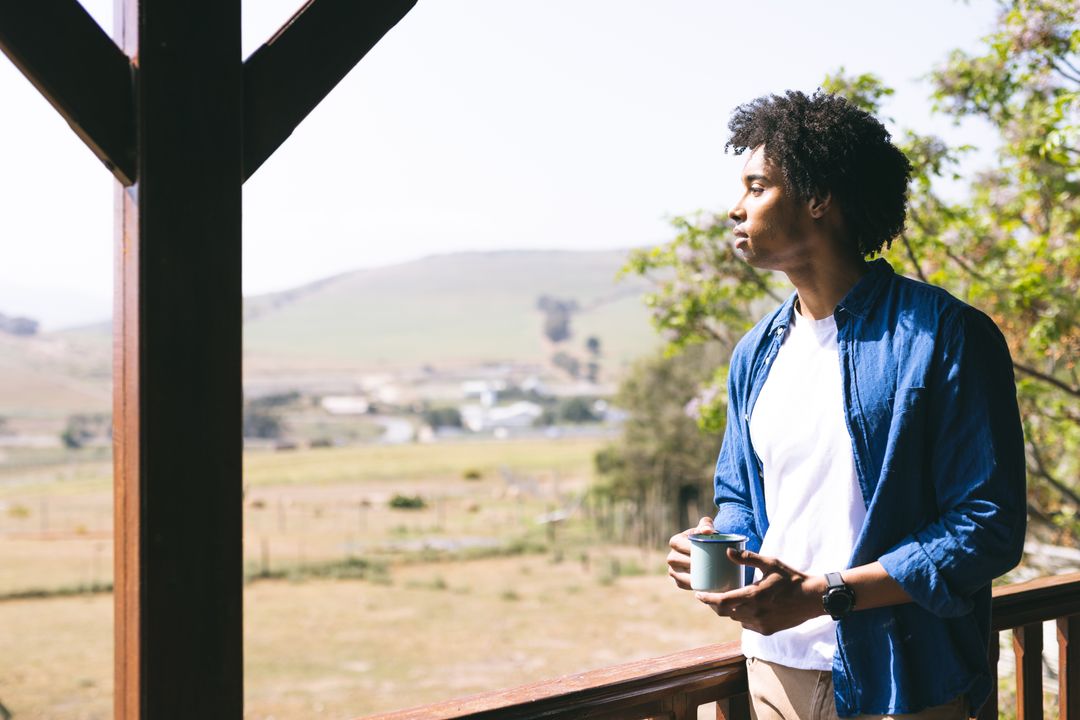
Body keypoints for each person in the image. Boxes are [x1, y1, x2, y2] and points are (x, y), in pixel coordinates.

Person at [666, 90, 1026, 720]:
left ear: (817, 198)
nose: (735, 208)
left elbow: (987, 528)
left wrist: (825, 595)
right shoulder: (755, 354)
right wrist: (720, 546)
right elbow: (741, 497)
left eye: (756, 186)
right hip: (775, 668)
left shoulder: (944, 335)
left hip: (909, 678)